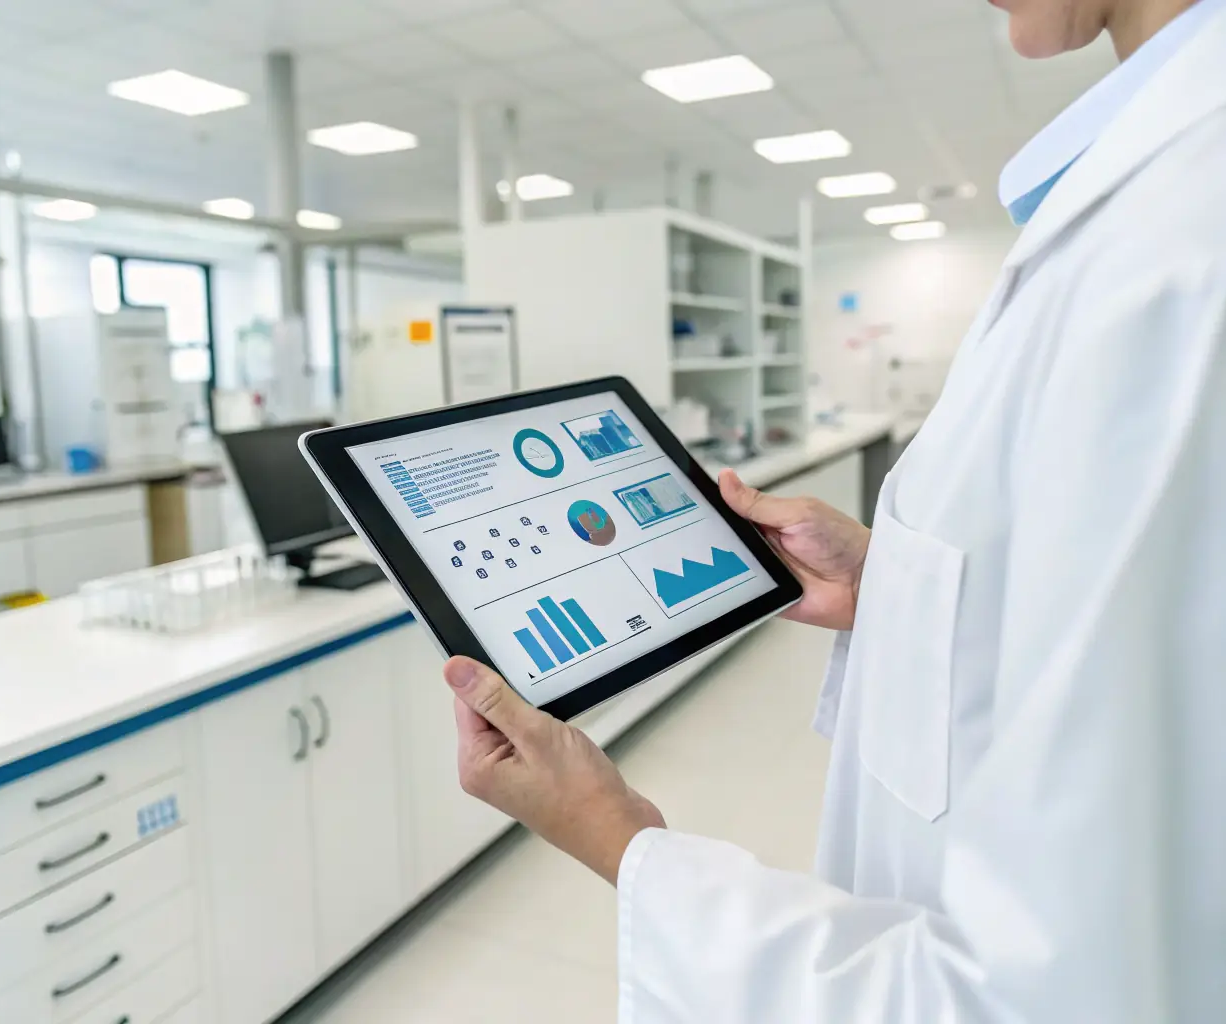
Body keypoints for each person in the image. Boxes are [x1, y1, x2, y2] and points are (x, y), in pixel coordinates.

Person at [441, 0, 1226, 1019]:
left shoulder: (1185, 222)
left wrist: (617, 833)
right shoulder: (1147, 183)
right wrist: (897, 577)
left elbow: (1042, 989)